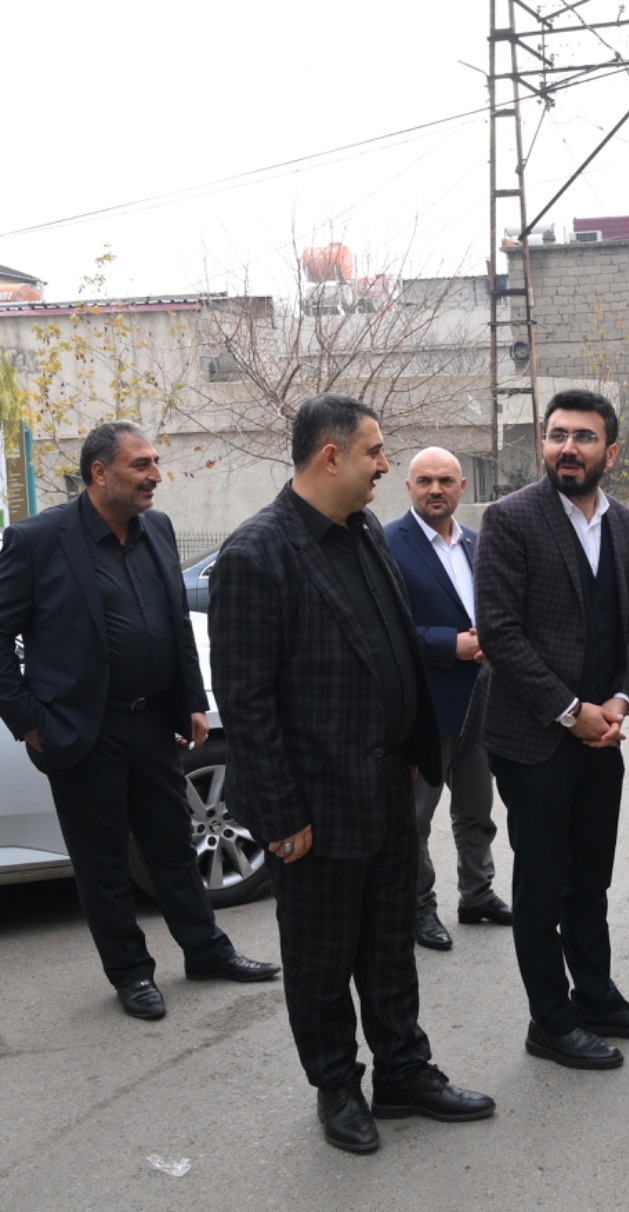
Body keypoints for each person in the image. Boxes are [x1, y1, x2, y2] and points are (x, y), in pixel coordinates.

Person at [209, 394, 494, 1154]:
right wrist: (281, 817)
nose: (384, 466)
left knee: (389, 947)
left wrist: (414, 751)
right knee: (321, 960)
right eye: (374, 451)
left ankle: (404, 1072)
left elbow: (394, 648)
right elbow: (247, 703)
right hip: (316, 810)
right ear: (330, 456)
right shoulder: (256, 554)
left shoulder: (364, 531)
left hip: (389, 788)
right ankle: (337, 1087)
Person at [0, 421, 278, 1022]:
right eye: (142, 465)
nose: (156, 475)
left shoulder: (158, 527)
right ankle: (130, 973)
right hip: (81, 731)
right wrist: (29, 721)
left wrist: (193, 701)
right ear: (100, 473)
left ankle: (206, 951)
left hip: (153, 724)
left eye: (154, 462)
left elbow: (175, 621)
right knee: (102, 864)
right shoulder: (36, 540)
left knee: (172, 847)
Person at [465, 387, 629, 1071]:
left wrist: (619, 701)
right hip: (532, 738)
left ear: (611, 452)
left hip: (601, 732)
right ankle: (550, 1022)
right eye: (558, 436)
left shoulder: (620, 520)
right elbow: (499, 632)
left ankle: (596, 996)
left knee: (590, 876)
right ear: (544, 445)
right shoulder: (511, 518)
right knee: (542, 883)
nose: (568, 448)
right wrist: (570, 710)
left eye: (584, 437)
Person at [384, 447, 510, 952]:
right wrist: (447, 644)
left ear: (462, 486)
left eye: (445, 481)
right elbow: (384, 630)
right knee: (415, 819)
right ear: (409, 487)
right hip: (424, 708)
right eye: (424, 481)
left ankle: (477, 894)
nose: (435, 490)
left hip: (481, 703)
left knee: (477, 811)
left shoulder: (479, 542)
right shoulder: (388, 544)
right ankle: (419, 908)